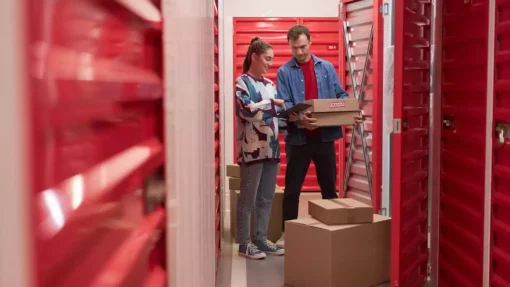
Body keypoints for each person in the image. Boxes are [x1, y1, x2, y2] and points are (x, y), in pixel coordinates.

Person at [275, 25, 362, 248]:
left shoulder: (327, 68)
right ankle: (289, 234)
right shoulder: (284, 72)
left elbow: (340, 95)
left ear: (310, 42)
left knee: (328, 189)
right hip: (299, 140)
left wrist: (351, 110)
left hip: (324, 138)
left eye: (303, 47)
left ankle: (332, 234)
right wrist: (300, 119)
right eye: (295, 48)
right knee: (292, 190)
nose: (300, 52)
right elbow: (286, 104)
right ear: (290, 46)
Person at [234, 37, 286, 259]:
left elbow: (274, 117)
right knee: (248, 198)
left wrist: (292, 116)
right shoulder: (242, 82)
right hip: (252, 150)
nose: (269, 64)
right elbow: (246, 111)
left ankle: (261, 239)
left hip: (271, 149)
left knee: (266, 198)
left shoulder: (269, 84)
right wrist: (274, 105)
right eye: (267, 58)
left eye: (271, 60)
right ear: (254, 56)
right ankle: (245, 244)